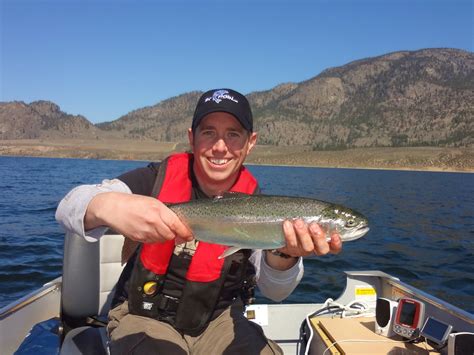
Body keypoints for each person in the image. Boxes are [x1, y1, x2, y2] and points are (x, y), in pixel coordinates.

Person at [56, 88, 342, 354]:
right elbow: (69, 206)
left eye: (233, 134)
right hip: (143, 317)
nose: (220, 147)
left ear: (250, 142)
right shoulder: (151, 181)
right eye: (209, 133)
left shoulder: (260, 209)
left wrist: (284, 254)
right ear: (192, 138)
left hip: (220, 323)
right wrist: (109, 206)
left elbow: (276, 292)